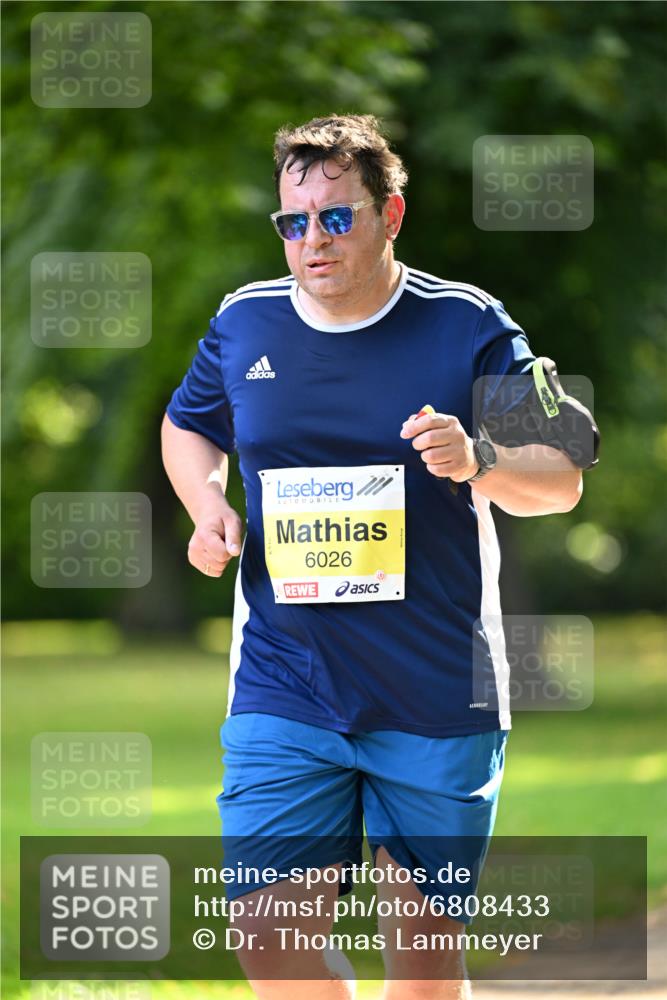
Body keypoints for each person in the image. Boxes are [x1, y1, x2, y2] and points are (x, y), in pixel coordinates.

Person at [162, 114, 583, 1000]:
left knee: (424, 965)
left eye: (336, 217)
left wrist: (480, 460)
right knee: (266, 937)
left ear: (390, 215)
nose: (311, 240)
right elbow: (189, 426)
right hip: (287, 681)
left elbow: (559, 479)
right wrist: (207, 507)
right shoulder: (247, 323)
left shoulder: (464, 321)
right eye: (292, 222)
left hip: (434, 688)